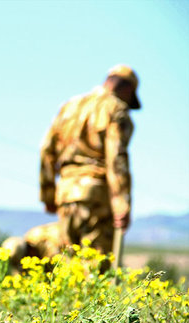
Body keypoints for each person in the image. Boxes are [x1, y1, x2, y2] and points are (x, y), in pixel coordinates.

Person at [40, 64, 141, 253]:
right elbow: (116, 157)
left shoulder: (70, 106)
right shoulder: (116, 109)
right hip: (97, 197)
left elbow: (46, 149)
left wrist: (48, 194)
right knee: (95, 268)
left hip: (66, 193)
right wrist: (122, 203)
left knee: (70, 265)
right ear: (127, 89)